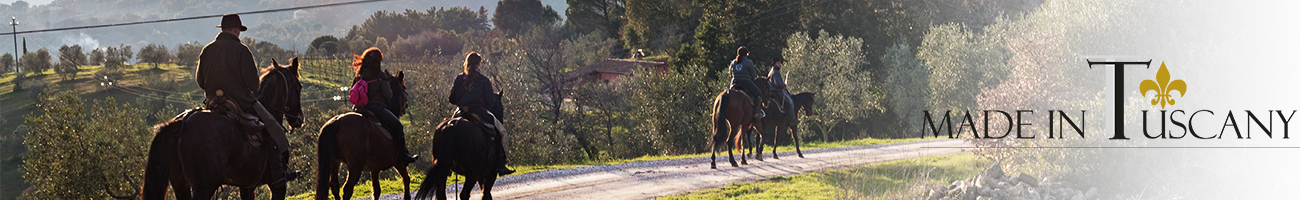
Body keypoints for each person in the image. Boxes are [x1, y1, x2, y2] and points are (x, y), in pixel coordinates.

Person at [195, 14, 297, 182]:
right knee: (271, 125)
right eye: (239, 30)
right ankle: (278, 173)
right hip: (240, 102)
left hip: (212, 103)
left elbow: (200, 81)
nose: (239, 33)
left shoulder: (207, 50)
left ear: (222, 29)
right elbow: (254, 85)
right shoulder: (242, 50)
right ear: (236, 29)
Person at [449, 52, 515, 176]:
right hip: (479, 111)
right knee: (501, 132)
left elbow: (452, 99)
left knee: (449, 129)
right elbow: (490, 102)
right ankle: (501, 164)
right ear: (479, 64)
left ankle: (446, 164)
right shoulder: (484, 80)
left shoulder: (458, 79)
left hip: (460, 111)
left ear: (466, 63)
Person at [350, 47, 417, 166]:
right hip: (375, 108)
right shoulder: (380, 75)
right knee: (398, 127)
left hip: (357, 109)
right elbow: (388, 95)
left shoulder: (359, 75)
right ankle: (403, 157)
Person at [730, 46, 765, 118]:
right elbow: (754, 75)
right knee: (759, 94)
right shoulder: (749, 62)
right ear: (746, 54)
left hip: (734, 83)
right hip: (745, 82)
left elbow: (731, 74)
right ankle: (756, 112)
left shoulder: (733, 63)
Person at [768, 58, 798, 124]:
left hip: (773, 89)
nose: (780, 65)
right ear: (774, 64)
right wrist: (784, 86)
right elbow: (777, 83)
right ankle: (792, 119)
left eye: (780, 63)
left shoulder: (772, 71)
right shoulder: (775, 72)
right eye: (778, 63)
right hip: (776, 90)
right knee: (790, 102)